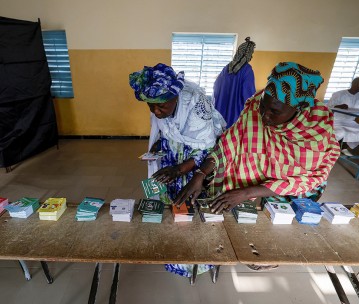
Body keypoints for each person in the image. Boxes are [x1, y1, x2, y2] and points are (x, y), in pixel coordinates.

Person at [175, 62, 340, 219]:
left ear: (298, 109)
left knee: (279, 221)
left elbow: (304, 180)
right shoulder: (256, 105)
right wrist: (200, 174)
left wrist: (247, 193)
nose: (264, 116)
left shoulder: (316, 131)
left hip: (296, 191)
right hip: (257, 183)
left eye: (274, 112)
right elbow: (228, 144)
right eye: (263, 106)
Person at [129, 63, 226, 279]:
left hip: (199, 163)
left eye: (160, 106)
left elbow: (209, 148)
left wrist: (181, 169)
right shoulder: (161, 103)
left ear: (176, 97)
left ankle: (196, 259)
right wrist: (159, 144)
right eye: (150, 106)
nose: (155, 111)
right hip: (175, 157)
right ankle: (173, 250)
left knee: (195, 208)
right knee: (172, 206)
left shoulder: (196, 108)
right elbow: (165, 128)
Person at [213, 37, 256, 128]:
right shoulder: (247, 70)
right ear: (247, 54)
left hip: (220, 109)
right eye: (251, 54)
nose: (251, 56)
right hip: (236, 112)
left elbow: (216, 87)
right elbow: (248, 95)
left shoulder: (227, 67)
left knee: (219, 133)